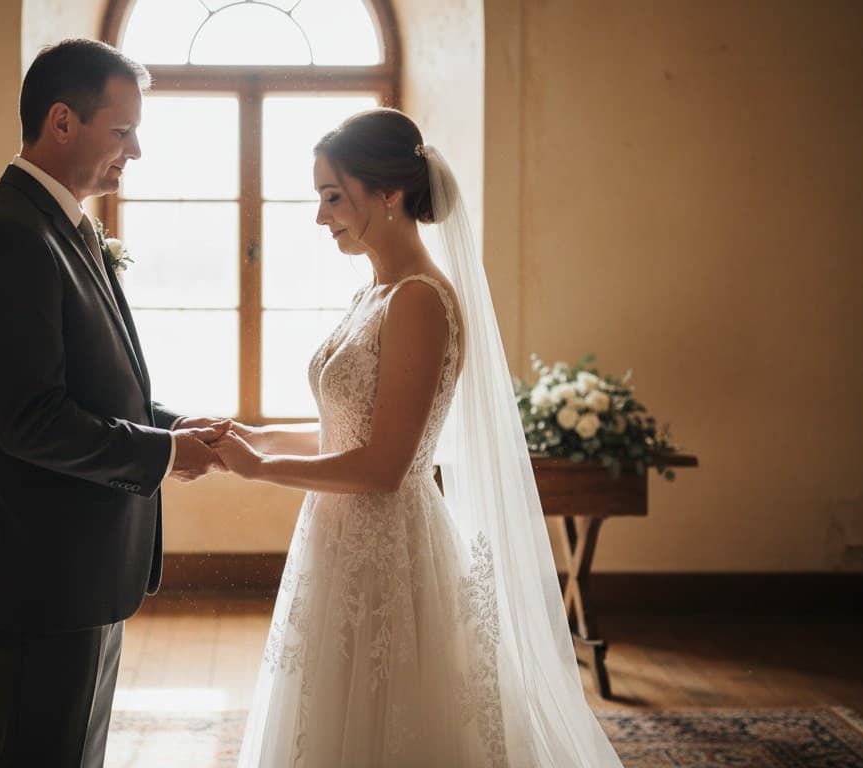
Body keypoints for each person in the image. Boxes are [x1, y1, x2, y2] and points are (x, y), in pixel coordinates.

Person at [213, 109, 626, 766]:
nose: (322, 217)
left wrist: (258, 467)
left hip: (388, 550)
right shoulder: (372, 294)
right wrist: (248, 435)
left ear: (390, 193)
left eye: (333, 196)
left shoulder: (420, 301)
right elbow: (343, 429)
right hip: (337, 542)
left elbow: (382, 466)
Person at [0, 38, 226, 767]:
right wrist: (161, 455)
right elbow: (30, 418)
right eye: (123, 131)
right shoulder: (9, 237)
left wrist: (168, 424)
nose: (136, 152)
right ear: (62, 122)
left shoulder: (62, 229)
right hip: (43, 573)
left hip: (79, 565)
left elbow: (90, 385)